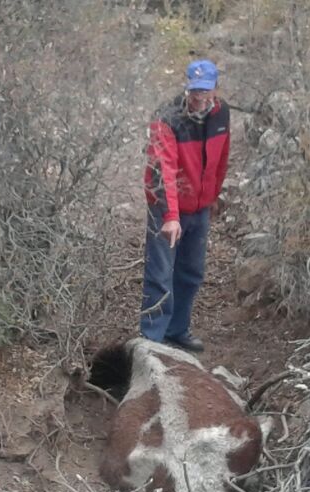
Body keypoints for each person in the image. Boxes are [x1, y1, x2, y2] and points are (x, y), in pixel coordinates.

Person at [140, 59, 230, 353]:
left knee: (191, 272)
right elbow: (161, 169)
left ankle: (177, 329)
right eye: (194, 91)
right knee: (160, 273)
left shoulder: (221, 114)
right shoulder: (167, 117)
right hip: (167, 208)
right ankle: (153, 338)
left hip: (199, 207)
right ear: (187, 87)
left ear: (215, 89)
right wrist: (170, 216)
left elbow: (221, 158)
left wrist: (213, 196)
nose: (198, 97)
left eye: (205, 91)